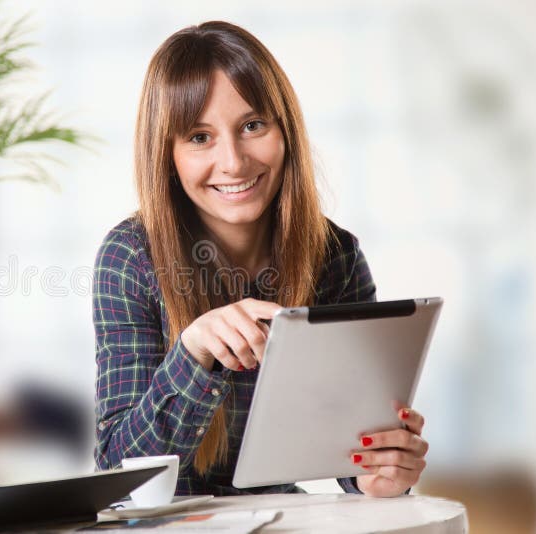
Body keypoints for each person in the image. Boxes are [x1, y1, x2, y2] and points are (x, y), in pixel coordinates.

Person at [92, 21, 428, 497]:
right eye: (199, 137)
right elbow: (118, 473)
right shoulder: (130, 257)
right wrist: (194, 353)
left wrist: (378, 472)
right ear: (166, 155)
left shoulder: (335, 257)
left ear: (284, 129)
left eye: (252, 126)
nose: (233, 161)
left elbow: (352, 442)